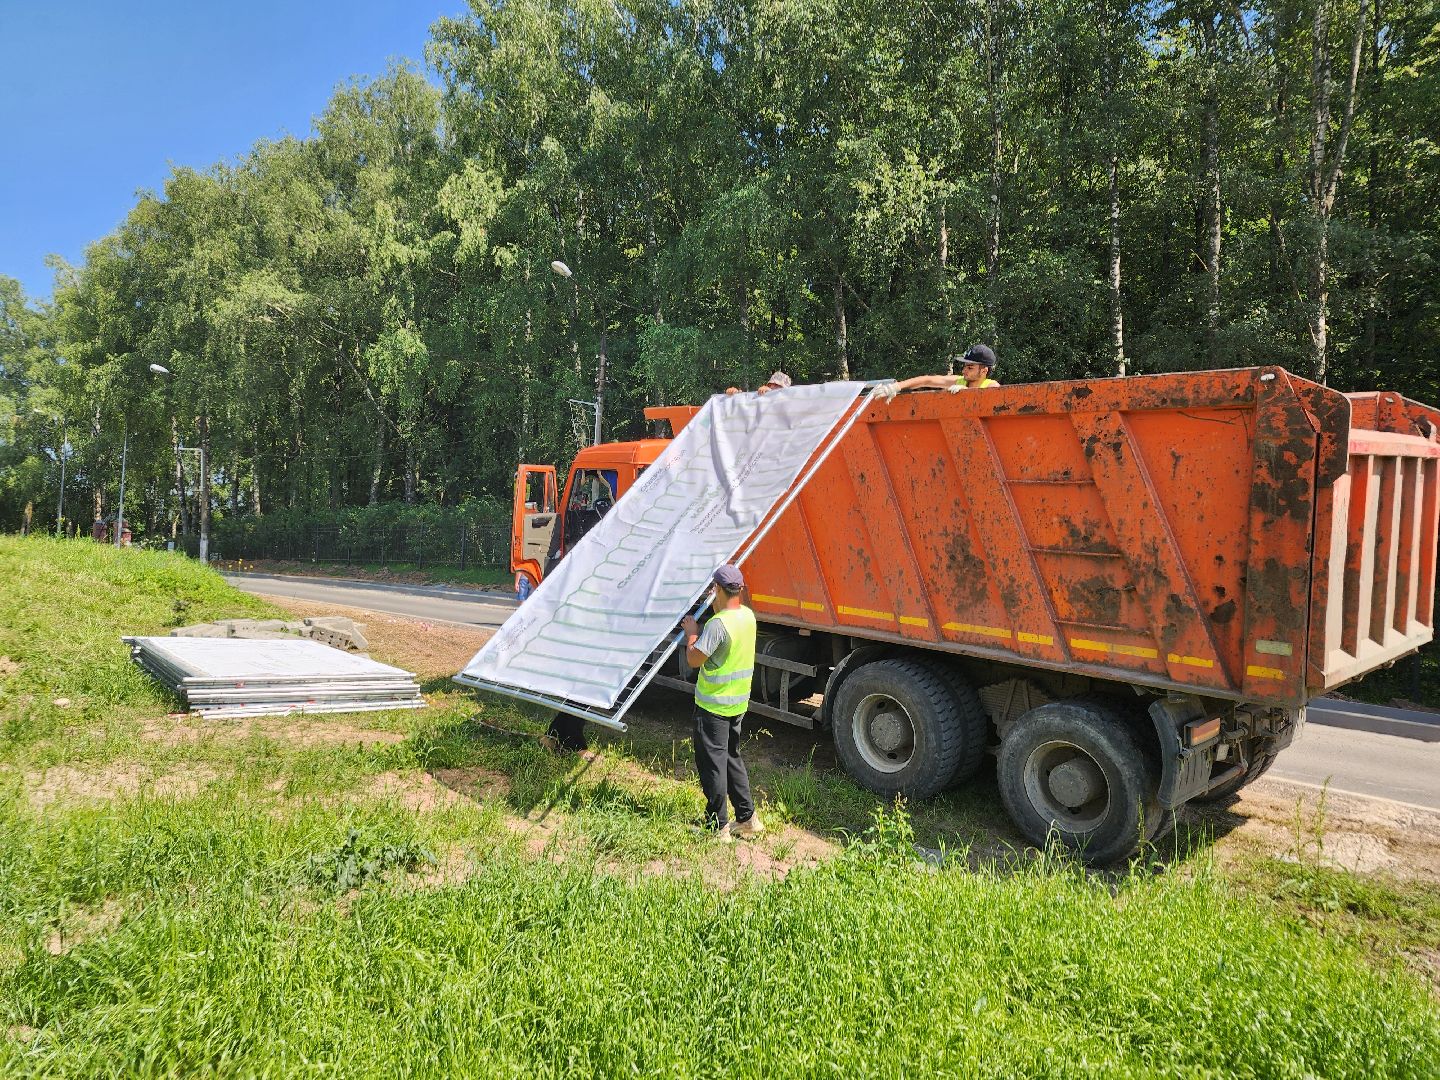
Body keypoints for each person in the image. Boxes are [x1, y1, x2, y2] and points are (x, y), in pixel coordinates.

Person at [681, 564, 764, 841]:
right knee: (731, 758)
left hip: (713, 707)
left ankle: (718, 827)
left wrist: (692, 632)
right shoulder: (747, 617)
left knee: (712, 765)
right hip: (737, 704)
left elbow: (694, 659)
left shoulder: (718, 625)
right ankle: (747, 818)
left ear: (716, 589)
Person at [874, 343, 999, 401]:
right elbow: (926, 380)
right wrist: (896, 387)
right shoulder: (958, 381)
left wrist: (967, 394)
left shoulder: (992, 386)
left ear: (984, 371)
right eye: (965, 366)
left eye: (970, 368)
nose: (964, 370)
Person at [725, 371, 792, 396]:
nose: (774, 386)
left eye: (779, 386)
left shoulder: (788, 406)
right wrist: (735, 396)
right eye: (773, 384)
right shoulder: (759, 399)